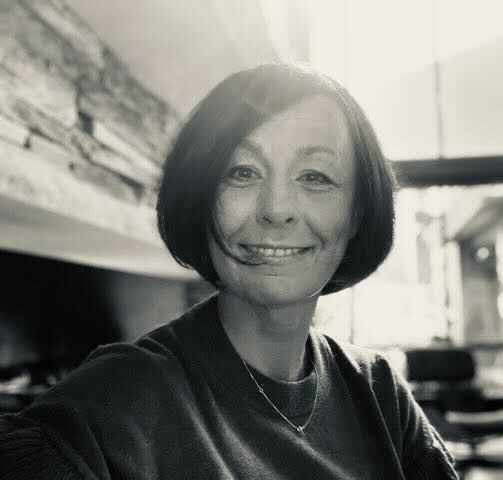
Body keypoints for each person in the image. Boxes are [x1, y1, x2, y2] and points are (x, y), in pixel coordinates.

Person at [0, 64, 458, 479]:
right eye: (241, 172)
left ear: (357, 213)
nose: (276, 209)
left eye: (315, 176)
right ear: (201, 200)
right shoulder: (115, 401)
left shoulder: (379, 392)